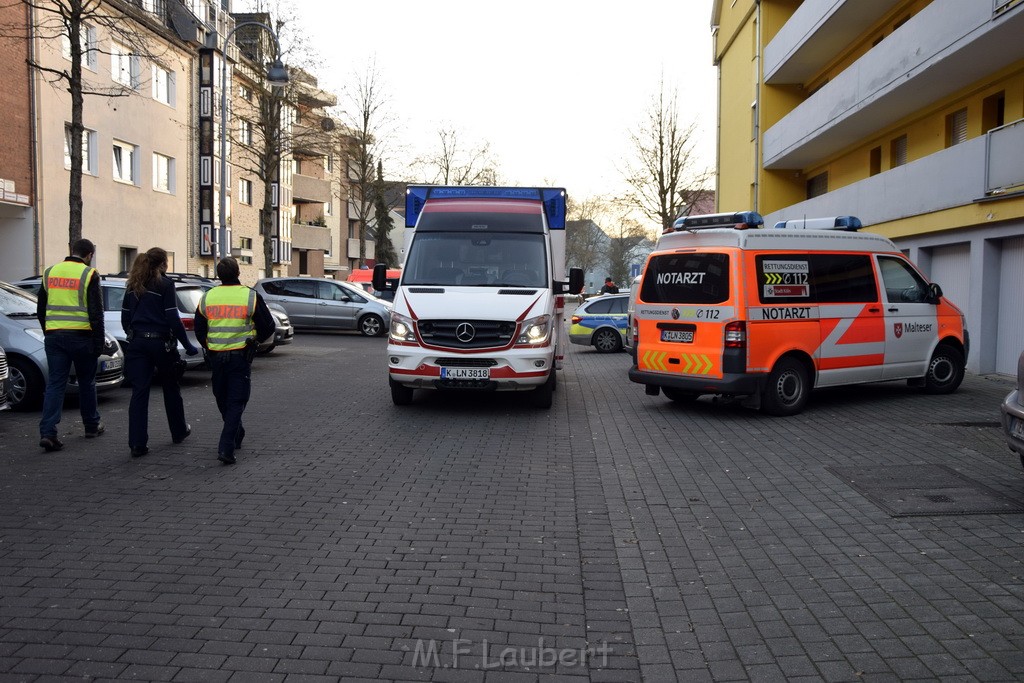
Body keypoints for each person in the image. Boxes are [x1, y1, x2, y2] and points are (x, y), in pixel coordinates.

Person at [120, 248, 201, 458]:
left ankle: (137, 444)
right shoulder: (164, 284)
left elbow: (125, 318)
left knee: (139, 392)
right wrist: (188, 345)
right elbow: (173, 318)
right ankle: (179, 430)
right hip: (161, 344)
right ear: (163, 264)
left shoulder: (132, 285)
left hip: (138, 344)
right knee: (171, 387)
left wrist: (133, 336)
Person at [194, 257, 275, 465]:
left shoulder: (208, 297)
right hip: (240, 357)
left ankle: (227, 445)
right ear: (238, 273)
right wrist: (254, 343)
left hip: (217, 358)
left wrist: (211, 347)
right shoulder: (249, 296)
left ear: (219, 275)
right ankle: (233, 437)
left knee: (224, 400)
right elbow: (268, 326)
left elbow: (199, 329)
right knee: (236, 401)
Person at [36, 238, 108, 452]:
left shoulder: (49, 272)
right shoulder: (89, 274)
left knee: (55, 384)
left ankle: (48, 432)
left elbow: (41, 308)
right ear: (89, 255)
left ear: (72, 251)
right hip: (82, 336)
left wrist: (48, 329)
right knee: (87, 381)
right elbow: (96, 313)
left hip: (54, 336)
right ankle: (91, 425)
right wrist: (98, 343)